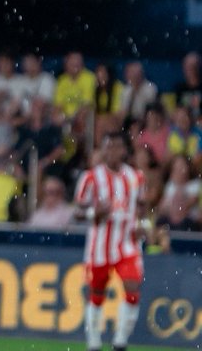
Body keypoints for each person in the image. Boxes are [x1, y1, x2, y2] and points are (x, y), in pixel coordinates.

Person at [73, 132, 146, 351]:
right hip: (99, 247)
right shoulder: (91, 178)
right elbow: (77, 211)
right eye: (108, 147)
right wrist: (94, 213)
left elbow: (142, 206)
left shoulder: (136, 177)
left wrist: (144, 224)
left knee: (132, 288)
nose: (113, 151)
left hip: (127, 243)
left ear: (124, 150)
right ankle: (93, 342)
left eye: (117, 147)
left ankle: (120, 342)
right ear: (103, 150)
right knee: (96, 295)